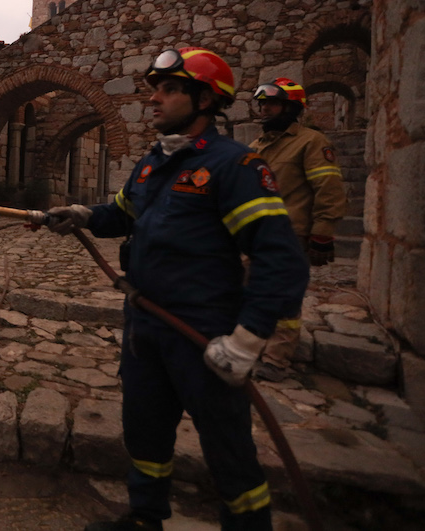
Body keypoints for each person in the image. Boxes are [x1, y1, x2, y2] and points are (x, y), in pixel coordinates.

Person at [46, 47, 309, 531]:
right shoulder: (152, 164)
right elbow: (124, 214)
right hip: (145, 325)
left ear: (205, 99)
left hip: (201, 330)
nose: (154, 99)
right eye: (153, 89)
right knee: (144, 432)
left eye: (168, 89)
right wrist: (84, 215)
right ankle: (145, 517)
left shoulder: (236, 168)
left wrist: (247, 341)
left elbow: (282, 261)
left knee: (227, 446)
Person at [248, 78, 347, 382]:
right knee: (250, 293)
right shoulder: (256, 146)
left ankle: (276, 360)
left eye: (272, 104)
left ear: (291, 108)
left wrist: (323, 233)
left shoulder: (311, 142)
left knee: (284, 299)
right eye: (261, 104)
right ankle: (250, 347)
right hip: (253, 236)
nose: (264, 109)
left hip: (291, 236)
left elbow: (328, 188)